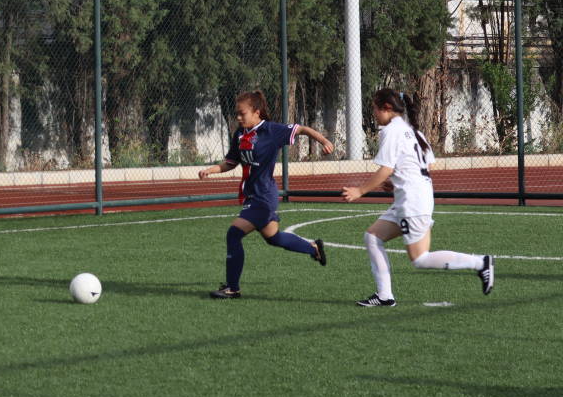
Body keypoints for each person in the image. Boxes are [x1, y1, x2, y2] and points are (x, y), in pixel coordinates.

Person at [341, 88, 493, 306]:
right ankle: (384, 296)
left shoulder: (391, 131)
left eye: (375, 108)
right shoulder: (413, 131)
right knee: (372, 237)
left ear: (386, 108)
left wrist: (360, 191)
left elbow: (386, 168)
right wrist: (398, 181)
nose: (373, 113)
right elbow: (428, 165)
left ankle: (480, 263)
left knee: (420, 259)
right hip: (412, 198)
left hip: (412, 202)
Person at [197, 90, 335, 299]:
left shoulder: (271, 130)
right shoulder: (240, 134)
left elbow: (301, 129)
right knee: (274, 238)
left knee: (234, 234)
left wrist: (324, 141)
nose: (238, 117)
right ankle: (313, 248)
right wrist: (211, 170)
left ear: (256, 112)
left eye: (242, 113)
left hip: (264, 197)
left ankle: (232, 288)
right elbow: (231, 163)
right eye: (237, 113)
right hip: (252, 195)